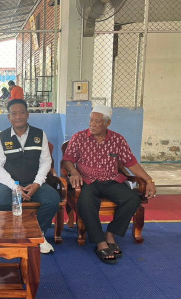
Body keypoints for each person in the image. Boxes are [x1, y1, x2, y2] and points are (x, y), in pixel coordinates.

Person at [62, 104, 157, 264]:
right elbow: (68, 160)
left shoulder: (117, 139)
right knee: (85, 201)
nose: (92, 124)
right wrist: (75, 172)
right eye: (91, 120)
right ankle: (100, 242)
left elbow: (131, 163)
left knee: (133, 199)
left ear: (107, 123)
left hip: (111, 180)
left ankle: (111, 234)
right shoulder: (79, 137)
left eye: (97, 122)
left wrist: (149, 180)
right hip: (87, 181)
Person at [0, 99, 60, 254]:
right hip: (10, 183)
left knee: (52, 199)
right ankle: (9, 236)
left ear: (28, 114)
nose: (18, 116)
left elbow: (45, 162)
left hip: (33, 182)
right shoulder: (1, 137)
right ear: (8, 117)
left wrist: (37, 184)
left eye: (21, 112)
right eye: (13, 113)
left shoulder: (39, 134)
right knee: (1, 201)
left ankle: (39, 235)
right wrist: (14, 186)